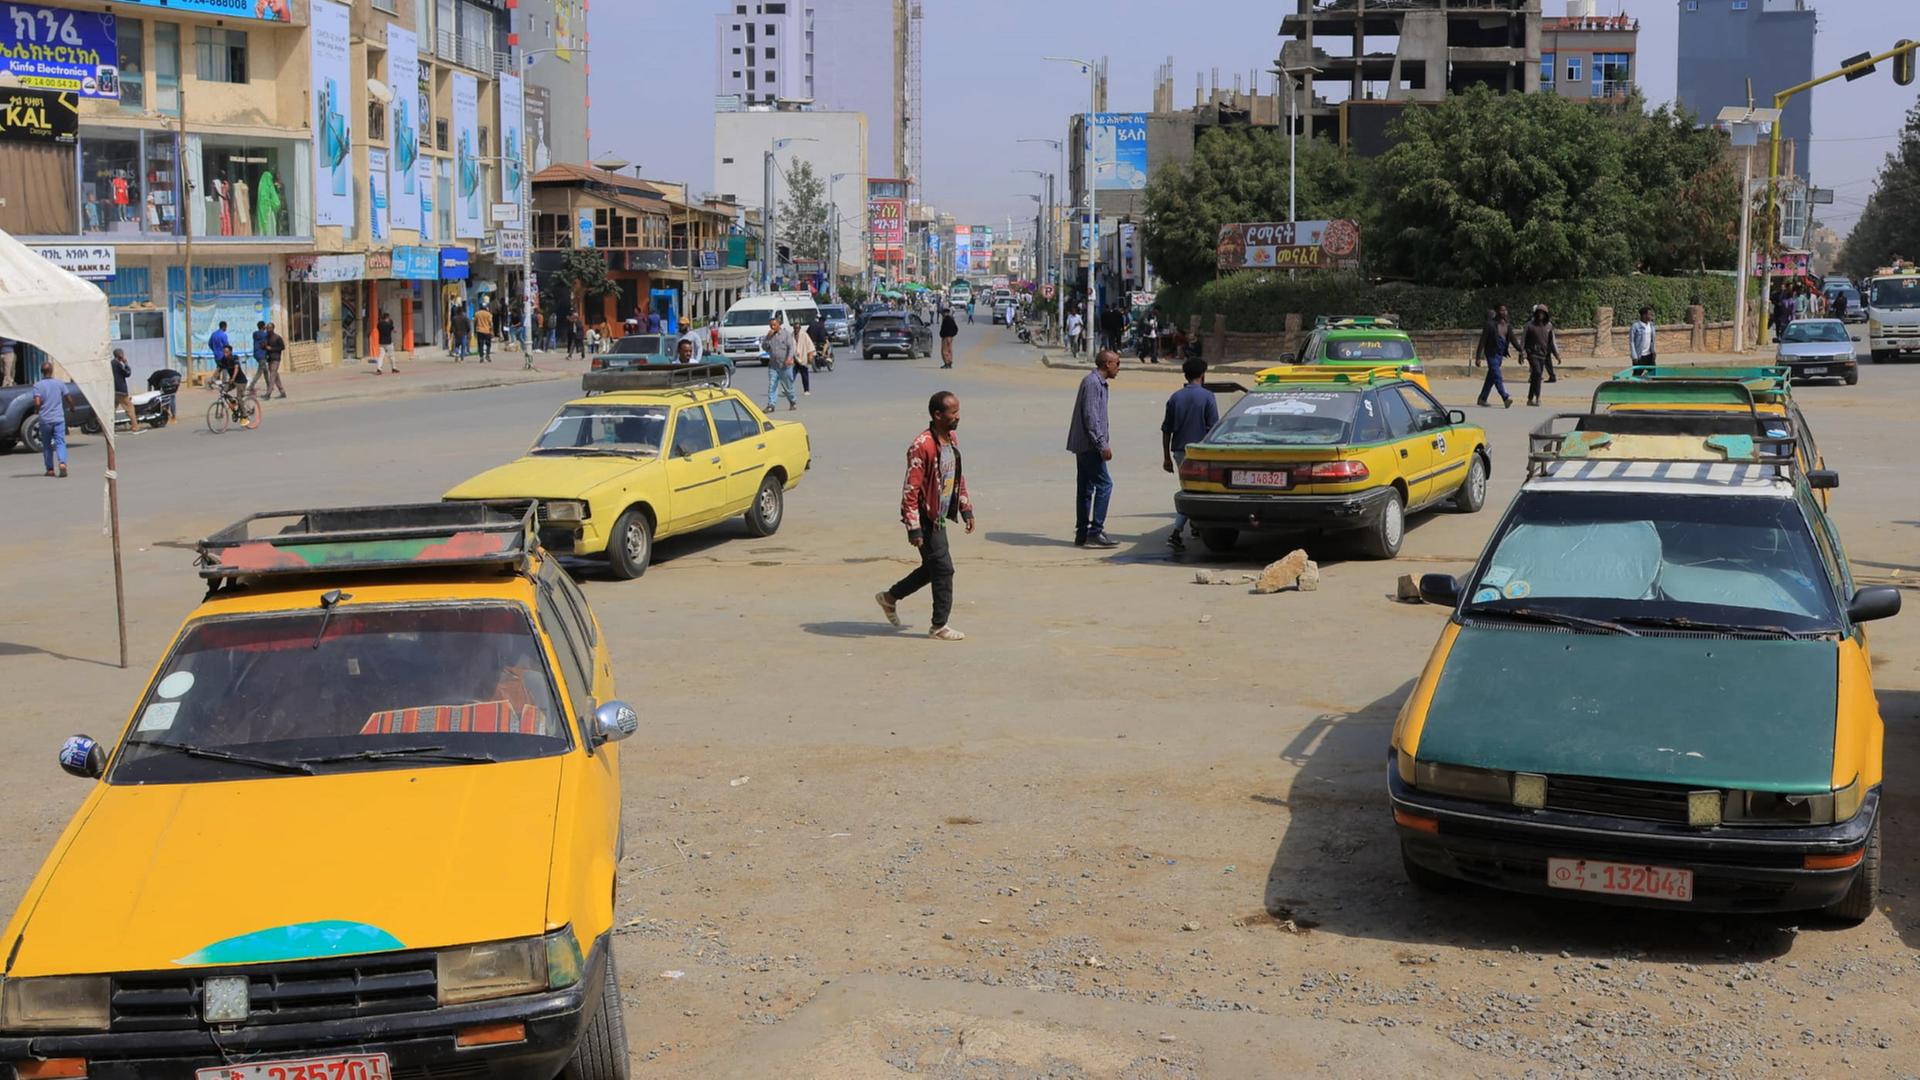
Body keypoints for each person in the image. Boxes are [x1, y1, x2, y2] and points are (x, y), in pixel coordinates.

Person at [877, 390, 974, 641]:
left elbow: (956, 476)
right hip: (925, 516)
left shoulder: (951, 439)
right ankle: (939, 626)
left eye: (958, 411)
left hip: (940, 514)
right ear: (937, 415)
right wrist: (914, 528)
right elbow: (911, 489)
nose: (958, 417)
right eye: (953, 413)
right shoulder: (922, 446)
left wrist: (965, 508)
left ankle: (889, 598)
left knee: (934, 567)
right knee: (944, 569)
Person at [1161, 358, 1219, 550]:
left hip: (1179, 451)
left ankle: (1194, 526)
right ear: (1203, 375)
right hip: (1200, 453)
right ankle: (1177, 532)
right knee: (1194, 492)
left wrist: (1166, 457)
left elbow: (1166, 430)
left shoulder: (1175, 397)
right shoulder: (1208, 397)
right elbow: (1214, 429)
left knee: (1190, 488)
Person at [1067, 349, 1121, 548]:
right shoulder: (1092, 383)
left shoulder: (1098, 383)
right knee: (1105, 485)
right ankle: (1095, 530)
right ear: (1107, 364)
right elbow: (1091, 418)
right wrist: (1102, 445)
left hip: (1086, 444)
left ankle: (1082, 533)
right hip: (1089, 446)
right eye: (1117, 363)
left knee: (1086, 488)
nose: (1119, 368)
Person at [31, 360, 71, 477]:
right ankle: (62, 463)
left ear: (41, 372)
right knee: (60, 442)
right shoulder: (59, 383)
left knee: (47, 444)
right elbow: (68, 397)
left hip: (45, 420)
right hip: (58, 418)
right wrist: (72, 406)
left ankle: (50, 469)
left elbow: (37, 402)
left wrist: (37, 410)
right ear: (52, 371)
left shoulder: (37, 385)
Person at [1473, 305, 1515, 408]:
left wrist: (1522, 351)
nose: (1504, 312)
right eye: (1501, 310)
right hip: (1491, 355)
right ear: (1497, 312)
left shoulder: (1507, 326)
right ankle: (1505, 397)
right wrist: (1478, 357)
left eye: (1505, 310)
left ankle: (1482, 398)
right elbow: (1482, 342)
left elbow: (1513, 340)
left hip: (1500, 355)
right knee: (1497, 376)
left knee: (1491, 378)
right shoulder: (1490, 325)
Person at [1519, 304, 1561, 407]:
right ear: (1536, 313)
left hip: (1543, 354)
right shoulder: (1529, 325)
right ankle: (1538, 397)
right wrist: (1522, 354)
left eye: (1543, 313)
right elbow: (1523, 341)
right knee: (1537, 372)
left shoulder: (1549, 326)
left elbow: (1551, 342)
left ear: (1546, 314)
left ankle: (1530, 398)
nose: (1541, 315)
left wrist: (1556, 355)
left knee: (1536, 376)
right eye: (1539, 312)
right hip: (1532, 354)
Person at [763, 313, 799, 412]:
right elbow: (764, 347)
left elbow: (791, 348)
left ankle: (793, 401)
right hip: (773, 365)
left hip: (785, 365)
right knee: (772, 385)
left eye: (774, 325)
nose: (772, 327)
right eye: (771, 325)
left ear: (779, 324)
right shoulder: (770, 336)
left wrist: (789, 358)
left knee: (788, 386)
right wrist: (767, 338)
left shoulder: (786, 334)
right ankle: (771, 405)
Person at [255, 321, 288, 399]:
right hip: (269, 359)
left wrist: (272, 348)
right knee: (276, 376)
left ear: (273, 328)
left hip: (276, 359)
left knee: (272, 375)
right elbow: (263, 346)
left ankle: (268, 393)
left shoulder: (277, 337)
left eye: (270, 328)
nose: (268, 330)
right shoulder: (266, 337)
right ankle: (282, 392)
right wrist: (263, 346)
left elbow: (282, 347)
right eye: (267, 328)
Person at [112, 348, 138, 433]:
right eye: (122, 354)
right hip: (121, 390)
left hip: (113, 390)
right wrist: (126, 363)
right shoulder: (118, 364)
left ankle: (110, 428)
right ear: (120, 355)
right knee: (130, 407)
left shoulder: (111, 363)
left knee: (112, 409)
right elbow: (127, 373)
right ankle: (135, 426)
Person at [1628, 306, 1657, 371]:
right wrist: (1634, 356)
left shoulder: (1651, 325)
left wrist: (1654, 351)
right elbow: (1631, 341)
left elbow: (1653, 340)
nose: (1651, 316)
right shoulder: (1635, 326)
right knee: (1637, 376)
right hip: (1639, 356)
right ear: (1644, 315)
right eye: (1649, 314)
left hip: (1650, 355)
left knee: (1653, 374)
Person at [792, 319, 815, 396]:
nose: (796, 329)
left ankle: (806, 389)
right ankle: (788, 388)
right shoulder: (791, 335)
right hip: (794, 358)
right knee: (791, 374)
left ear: (800, 328)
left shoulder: (804, 335)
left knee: (804, 374)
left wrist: (810, 355)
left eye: (798, 328)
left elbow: (810, 345)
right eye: (795, 328)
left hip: (802, 357)